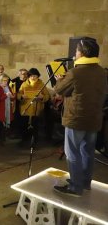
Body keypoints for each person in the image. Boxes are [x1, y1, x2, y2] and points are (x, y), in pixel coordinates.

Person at [53, 38, 108, 197]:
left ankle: (75, 187)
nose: (75, 53)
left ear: (82, 53)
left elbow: (59, 90)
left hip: (76, 119)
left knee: (72, 153)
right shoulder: (102, 72)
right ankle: (84, 182)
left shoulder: (75, 72)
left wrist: (60, 80)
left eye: (76, 51)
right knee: (88, 151)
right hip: (94, 118)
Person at [17, 68, 50, 146]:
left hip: (36, 109)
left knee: (35, 127)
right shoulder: (24, 84)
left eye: (35, 75)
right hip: (26, 108)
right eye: (31, 76)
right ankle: (24, 140)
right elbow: (18, 94)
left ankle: (34, 142)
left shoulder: (41, 84)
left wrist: (42, 97)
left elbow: (47, 96)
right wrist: (21, 96)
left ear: (38, 76)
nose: (33, 77)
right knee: (24, 126)